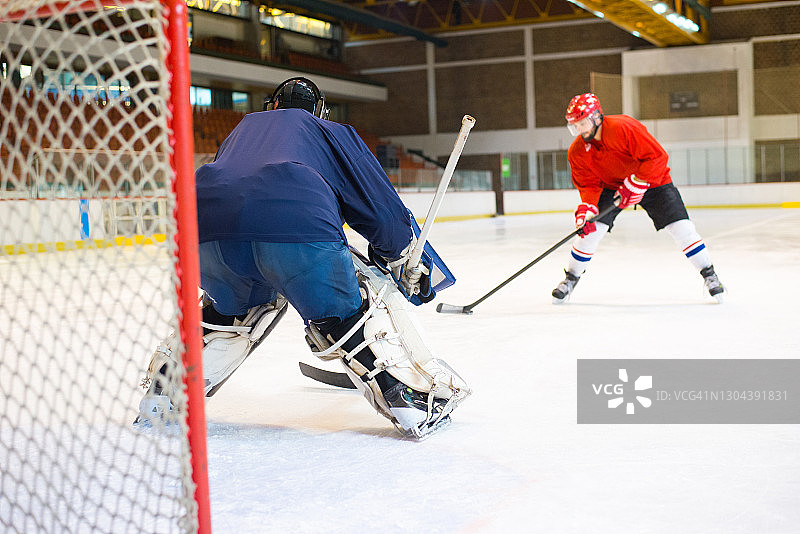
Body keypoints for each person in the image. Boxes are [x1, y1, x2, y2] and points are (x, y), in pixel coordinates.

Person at [137, 77, 469, 438]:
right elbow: (379, 208)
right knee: (348, 309)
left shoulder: (242, 131)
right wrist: (402, 257)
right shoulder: (329, 132)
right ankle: (408, 400)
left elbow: (237, 190)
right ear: (319, 112)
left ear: (273, 106)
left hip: (204, 233)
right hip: (296, 226)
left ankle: (163, 394)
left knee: (233, 312)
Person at [551, 93, 725, 303]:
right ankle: (571, 278)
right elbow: (588, 185)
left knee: (682, 228)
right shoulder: (577, 151)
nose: (580, 130)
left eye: (582, 123)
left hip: (653, 181)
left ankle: (709, 274)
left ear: (596, 116)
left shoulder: (624, 127)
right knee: (590, 232)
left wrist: (637, 182)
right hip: (612, 187)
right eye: (575, 126)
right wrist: (587, 210)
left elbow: (657, 157)